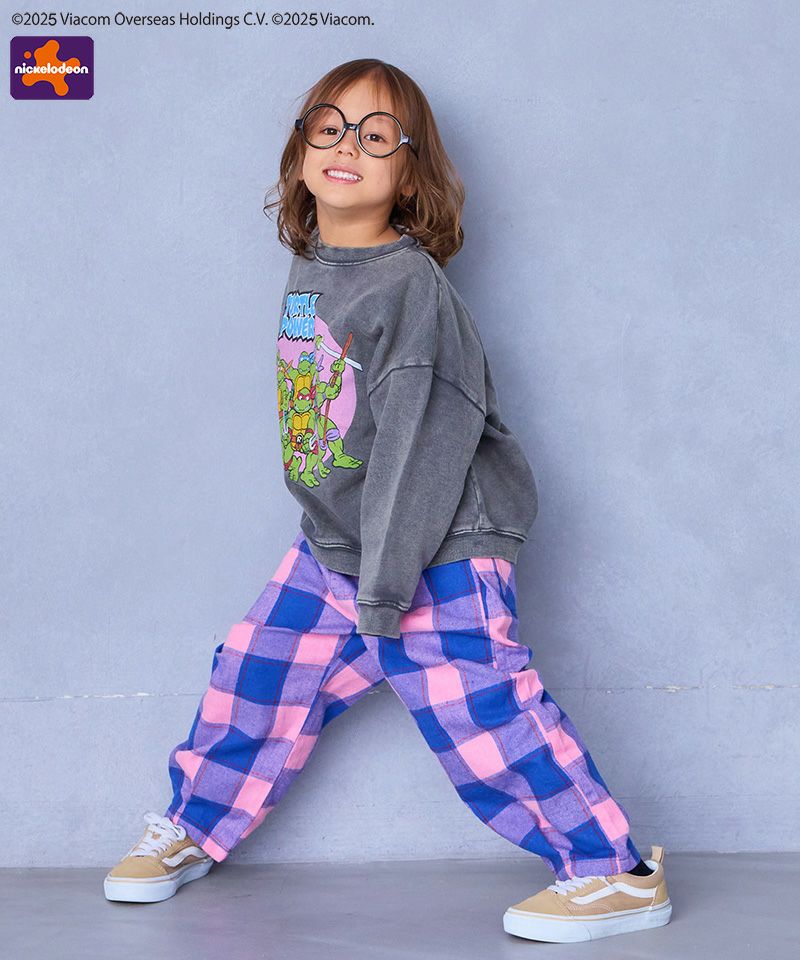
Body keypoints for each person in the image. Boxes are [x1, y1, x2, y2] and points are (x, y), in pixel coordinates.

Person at [103, 58, 672, 944]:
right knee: (258, 671)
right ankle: (194, 826)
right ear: (300, 153)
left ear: (409, 174)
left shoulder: (408, 287)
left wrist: (386, 587)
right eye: (328, 128)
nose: (347, 148)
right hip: (343, 535)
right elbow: (321, 409)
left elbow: (422, 442)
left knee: (482, 707)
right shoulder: (315, 267)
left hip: (436, 539)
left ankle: (613, 871)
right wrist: (345, 548)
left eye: (376, 137)